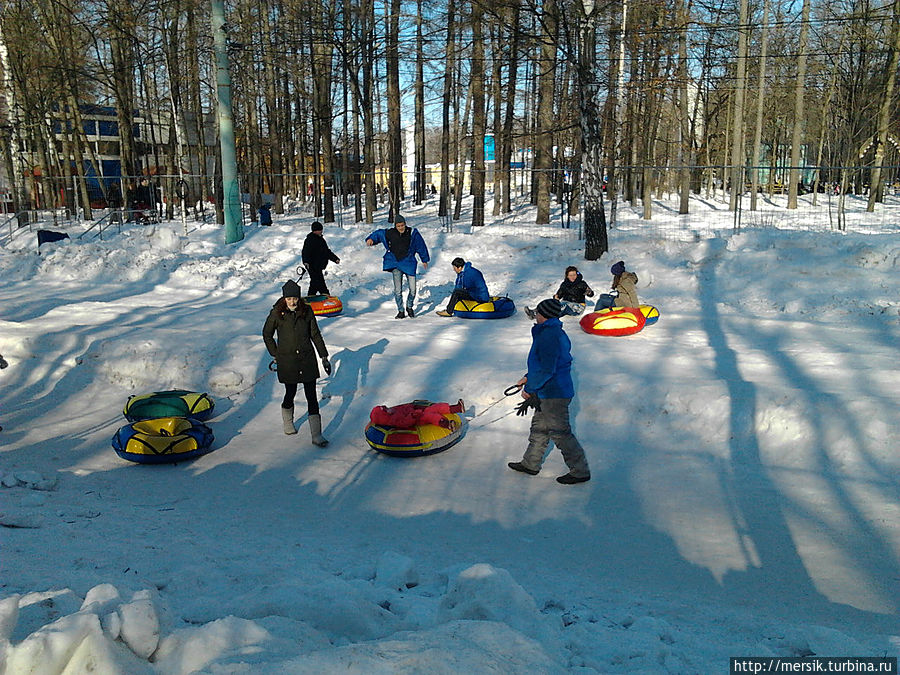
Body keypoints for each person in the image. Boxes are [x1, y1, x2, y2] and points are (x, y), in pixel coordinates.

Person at [507, 298, 591, 485]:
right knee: (539, 429)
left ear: (543, 315)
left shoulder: (549, 335)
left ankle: (580, 471)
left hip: (555, 392)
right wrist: (528, 377)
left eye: (537, 312)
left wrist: (530, 389)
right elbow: (543, 364)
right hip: (548, 390)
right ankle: (530, 464)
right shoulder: (550, 332)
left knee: (561, 433)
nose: (535, 315)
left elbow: (547, 369)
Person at [262, 280, 331, 447]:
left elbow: (315, 334)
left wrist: (323, 356)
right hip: (288, 360)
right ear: (284, 298)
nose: (292, 302)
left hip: (307, 359)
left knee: (311, 396)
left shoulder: (306, 311)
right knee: (290, 393)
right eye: (289, 299)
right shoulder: (276, 313)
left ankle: (317, 435)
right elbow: (267, 334)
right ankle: (288, 422)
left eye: (295, 298)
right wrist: (276, 353)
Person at [365, 214, 430, 318]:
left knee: (413, 290)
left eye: (402, 225)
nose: (401, 228)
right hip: (395, 264)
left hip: (409, 263)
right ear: (395, 226)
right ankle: (401, 311)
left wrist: (424, 259)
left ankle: (409, 306)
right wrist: (371, 239)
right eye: (399, 226)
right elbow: (378, 234)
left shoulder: (412, 233)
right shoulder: (389, 233)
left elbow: (420, 245)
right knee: (397, 291)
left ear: (405, 224)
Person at [526, 265, 594, 318]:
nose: (572, 277)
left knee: (564, 305)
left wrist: (589, 292)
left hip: (578, 307)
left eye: (574, 275)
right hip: (565, 304)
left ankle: (548, 315)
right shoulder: (564, 284)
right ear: (567, 276)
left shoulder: (582, 283)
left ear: (577, 275)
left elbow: (591, 294)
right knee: (550, 302)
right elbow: (558, 295)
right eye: (570, 275)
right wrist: (555, 298)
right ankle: (535, 312)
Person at [302, 221, 341, 296]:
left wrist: (335, 258)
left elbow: (326, 251)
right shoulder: (309, 240)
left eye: (321, 230)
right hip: (312, 266)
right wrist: (306, 262)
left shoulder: (321, 240)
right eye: (319, 230)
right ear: (315, 231)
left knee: (314, 283)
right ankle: (326, 296)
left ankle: (310, 297)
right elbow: (305, 252)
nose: (321, 231)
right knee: (320, 283)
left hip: (319, 266)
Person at [369, 399, 465, 429]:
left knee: (436, 407)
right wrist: (412, 416)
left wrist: (413, 406)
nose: (387, 408)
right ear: (384, 416)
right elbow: (404, 423)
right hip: (417, 419)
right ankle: (446, 424)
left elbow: (404, 407)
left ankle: (457, 408)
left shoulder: (394, 410)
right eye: (385, 410)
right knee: (431, 416)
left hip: (416, 412)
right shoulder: (392, 420)